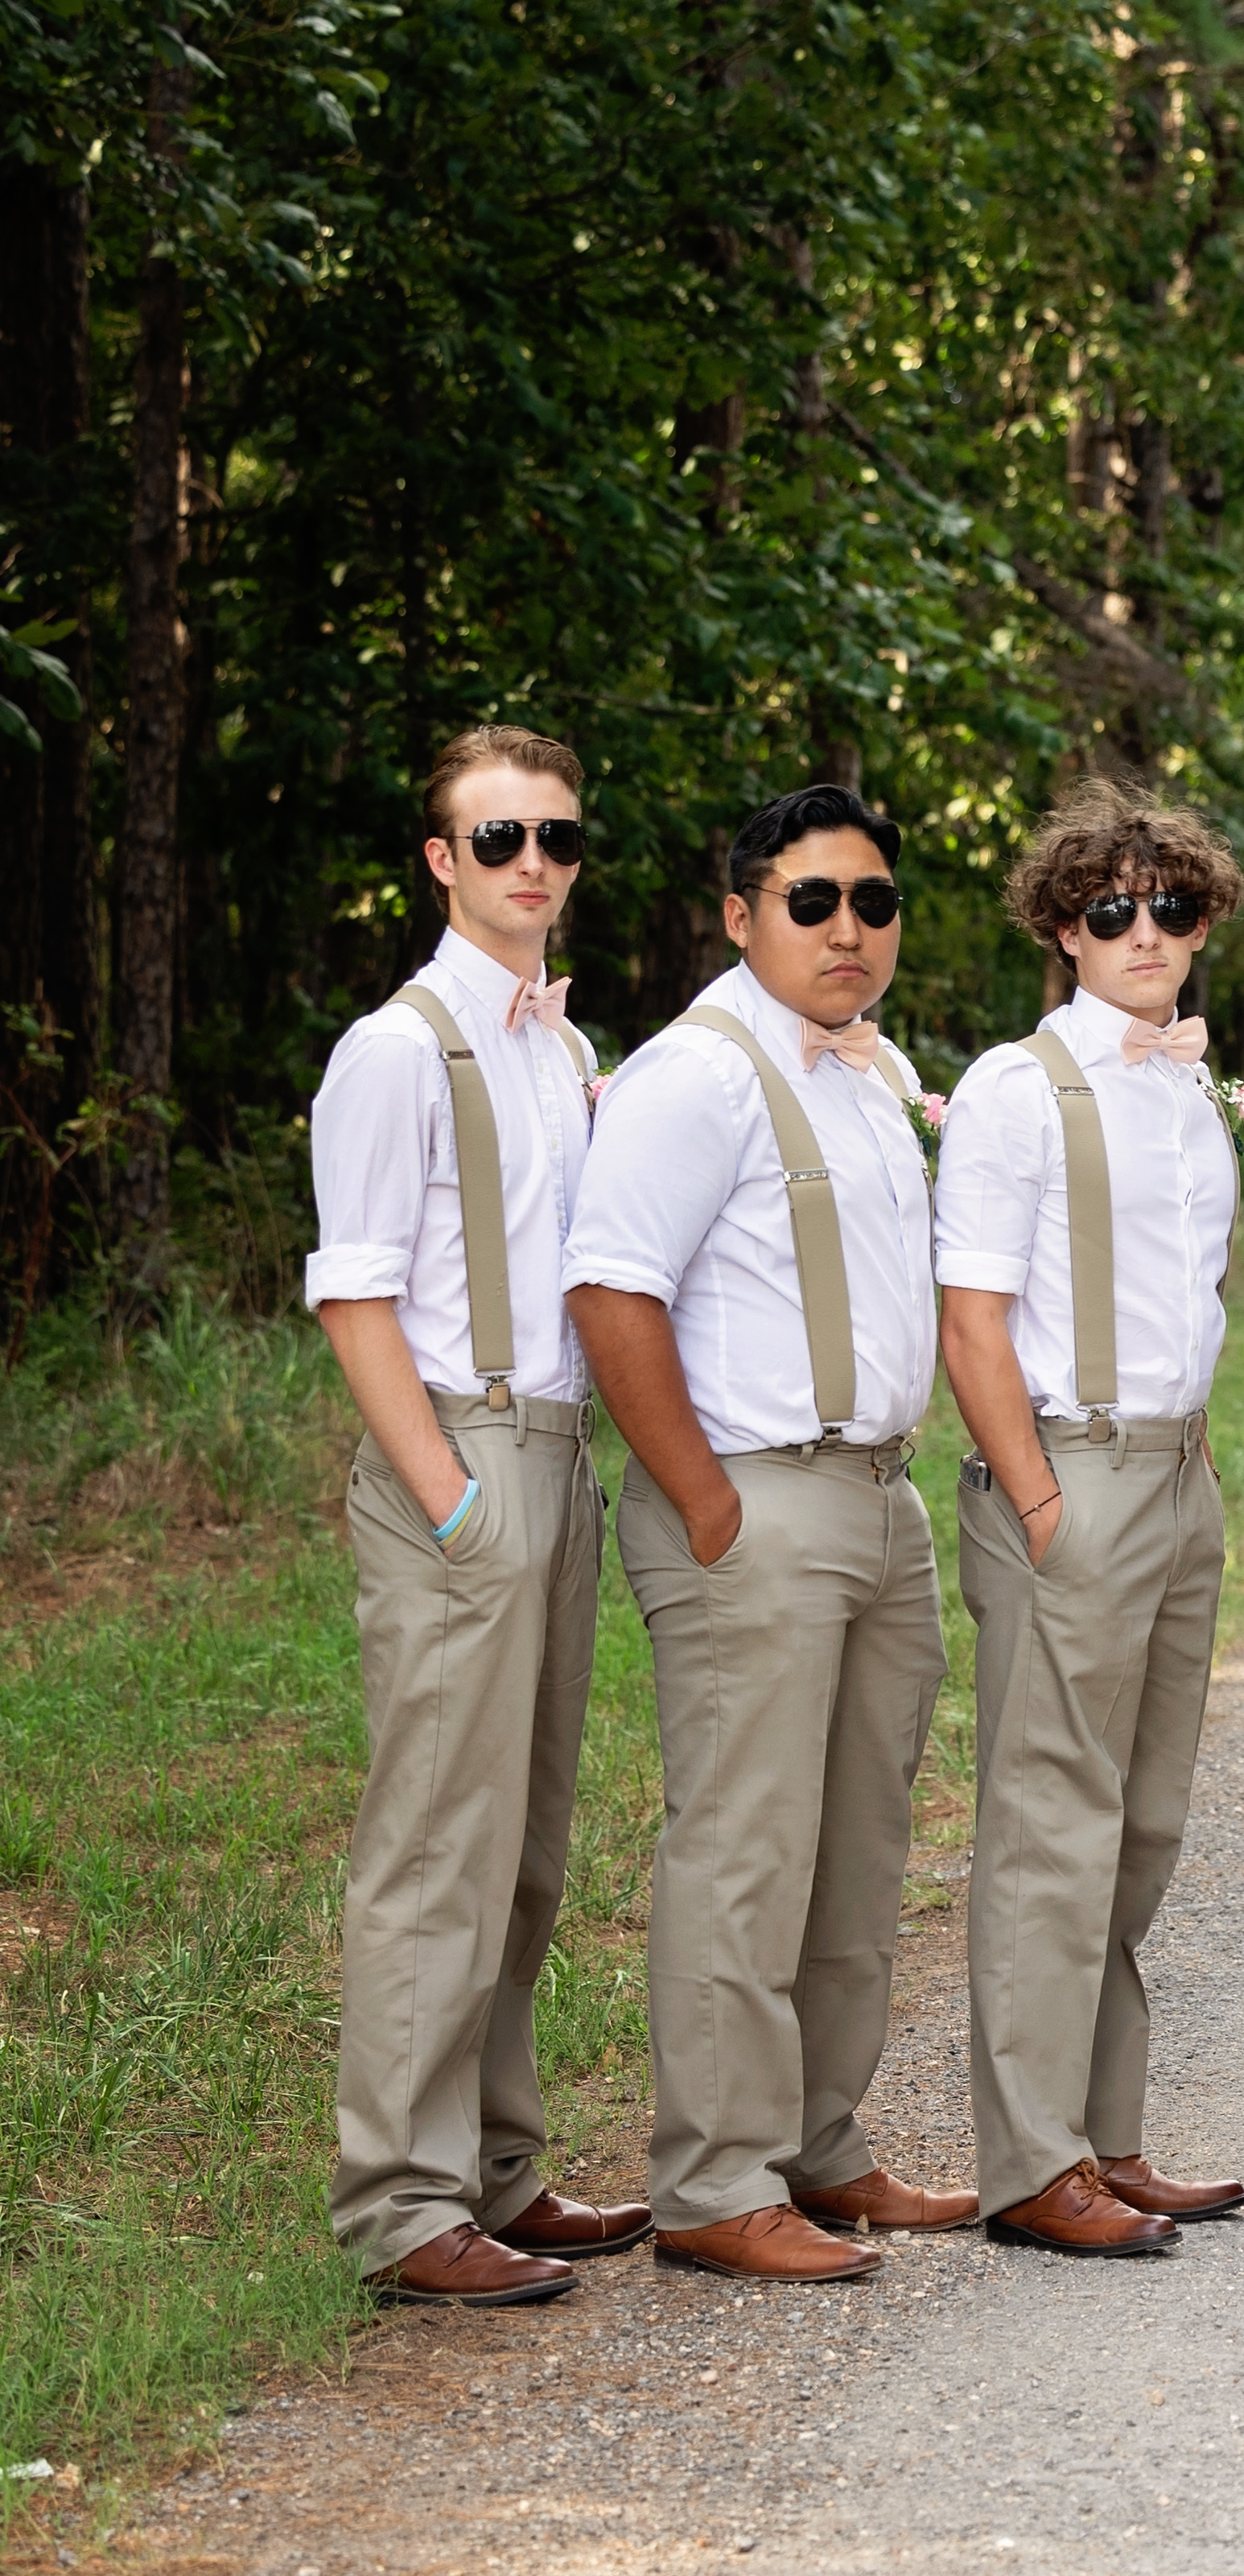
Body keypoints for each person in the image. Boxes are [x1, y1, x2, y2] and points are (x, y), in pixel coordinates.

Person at [564, 785, 971, 2283]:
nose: (848, 928)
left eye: (872, 901)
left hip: (877, 1499)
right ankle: (714, 2182)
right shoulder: (696, 1075)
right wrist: (709, 1499)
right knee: (743, 1847)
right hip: (751, 1500)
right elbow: (612, 1292)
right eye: (812, 901)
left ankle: (820, 2146)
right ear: (740, 917)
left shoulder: (871, 1075)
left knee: (860, 1846)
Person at [307, 724, 642, 2306]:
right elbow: (356, 1296)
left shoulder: (559, 1048)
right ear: (441, 860)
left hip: (557, 1450)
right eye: (498, 839)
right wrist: (449, 1503)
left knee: (524, 1839)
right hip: (462, 1451)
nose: (531, 866)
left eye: (555, 840)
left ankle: (499, 2165)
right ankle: (401, 2198)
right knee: (439, 1836)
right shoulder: (400, 1046)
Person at [935, 790, 1244, 2258]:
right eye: (1113, 911)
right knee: (1052, 1826)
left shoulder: (1188, 1085)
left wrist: (1186, 1481)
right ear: (1065, 929)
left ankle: (1108, 2136)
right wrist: (1043, 1501)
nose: (1146, 935)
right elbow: (975, 1315)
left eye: (1171, 908)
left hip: (1177, 1478)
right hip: (1067, 1473)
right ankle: (1029, 2163)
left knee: (1143, 1821)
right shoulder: (1017, 1086)